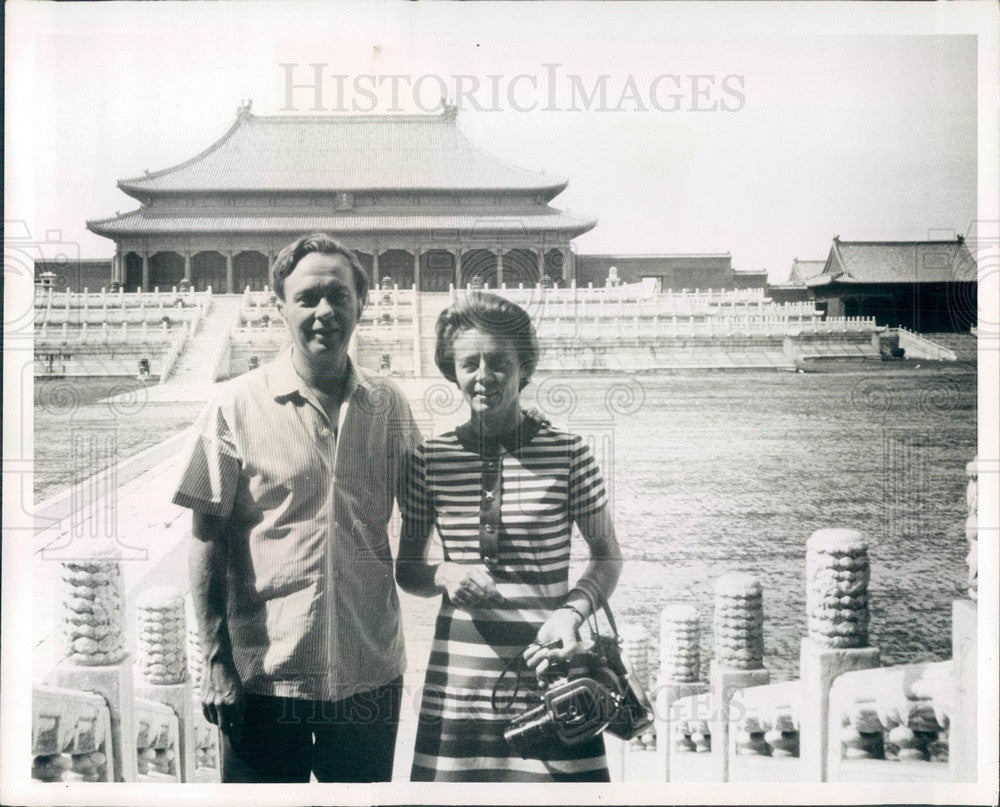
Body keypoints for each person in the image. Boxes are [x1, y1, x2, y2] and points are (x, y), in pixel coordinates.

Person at [173, 233, 421, 782]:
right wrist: (216, 660)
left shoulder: (391, 406)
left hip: (368, 675)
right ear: (278, 305)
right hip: (263, 677)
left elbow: (425, 512)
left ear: (362, 302)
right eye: (308, 298)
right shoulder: (232, 408)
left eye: (339, 296)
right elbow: (205, 538)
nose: (325, 312)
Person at [396, 292, 623, 782]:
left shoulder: (569, 453)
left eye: (499, 362)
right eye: (469, 364)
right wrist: (446, 572)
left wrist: (570, 613)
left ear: (525, 366)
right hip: (458, 679)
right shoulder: (427, 460)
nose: (484, 376)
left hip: (551, 667)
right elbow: (408, 570)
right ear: (451, 371)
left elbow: (607, 557)